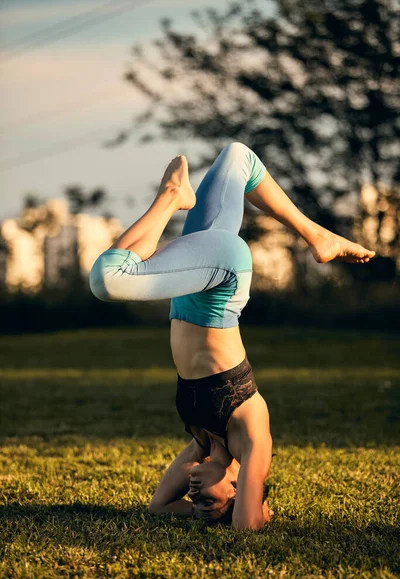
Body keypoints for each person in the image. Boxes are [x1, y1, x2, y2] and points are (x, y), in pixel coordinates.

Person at [89, 142, 375, 530]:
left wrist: (199, 512)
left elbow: (159, 507)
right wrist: (253, 510)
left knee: (239, 158)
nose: (193, 492)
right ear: (238, 486)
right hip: (222, 278)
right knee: (109, 280)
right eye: (206, 498)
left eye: (194, 499)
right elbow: (246, 525)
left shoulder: (204, 442)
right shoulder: (250, 440)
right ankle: (172, 198)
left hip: (195, 284)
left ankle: (318, 236)